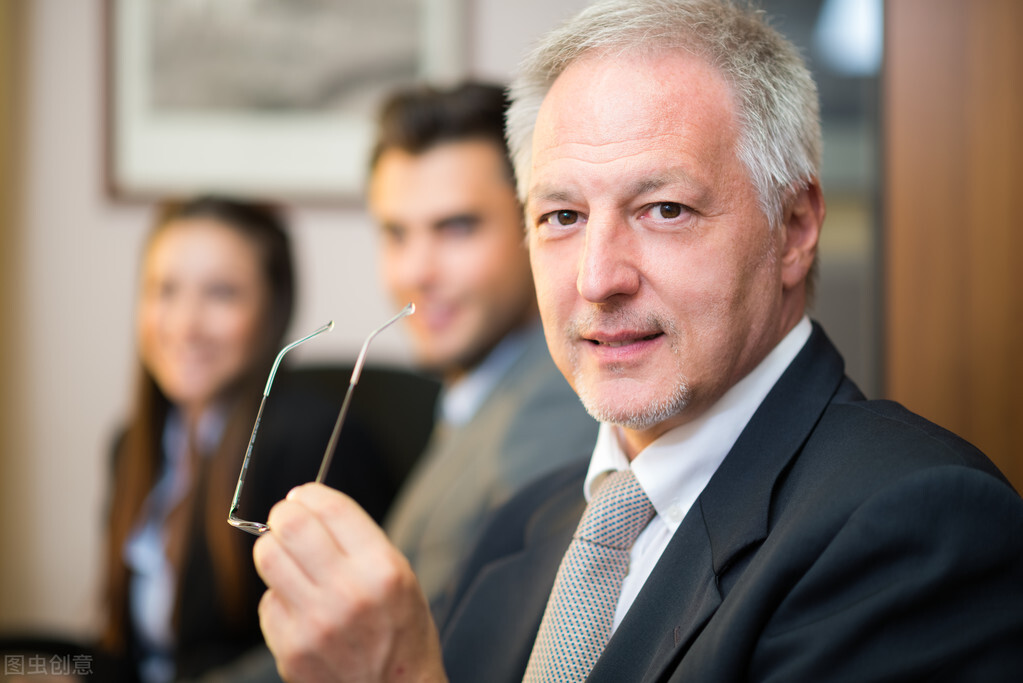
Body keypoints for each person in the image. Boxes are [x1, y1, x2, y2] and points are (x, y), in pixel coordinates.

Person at [251, 1, 1023, 681]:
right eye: (561, 217)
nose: (596, 278)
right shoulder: (520, 524)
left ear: (793, 228)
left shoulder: (916, 526)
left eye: (663, 209)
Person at [96, 196, 397, 683]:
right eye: (164, 290)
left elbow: (337, 649)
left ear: (272, 309)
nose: (185, 324)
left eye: (221, 293)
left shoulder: (313, 443)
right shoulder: (131, 445)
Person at [367, 82, 599, 609]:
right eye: (396, 234)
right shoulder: (481, 392)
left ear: (537, 225)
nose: (416, 272)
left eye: (457, 228)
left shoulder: (548, 421)